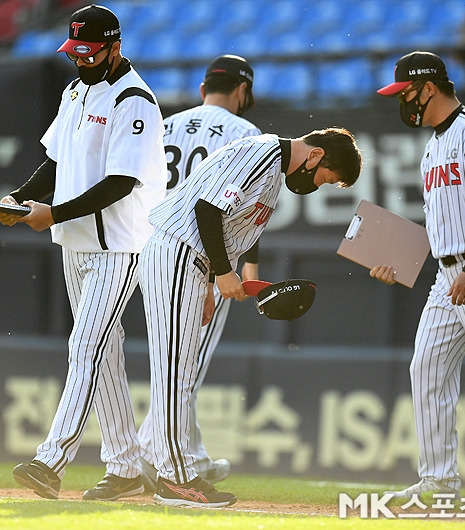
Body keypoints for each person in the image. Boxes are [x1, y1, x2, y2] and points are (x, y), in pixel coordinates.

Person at [138, 127, 362, 507]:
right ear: (315, 156)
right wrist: (225, 273)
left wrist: (210, 282)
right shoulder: (261, 153)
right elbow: (207, 210)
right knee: (175, 371)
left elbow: (232, 224)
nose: (319, 185)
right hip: (177, 253)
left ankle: (170, 468)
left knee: (181, 371)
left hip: (193, 262)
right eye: (326, 177)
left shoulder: (274, 169)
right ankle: (175, 478)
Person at [1, 4, 167, 501]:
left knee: (84, 345)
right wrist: (20, 199)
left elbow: (121, 182)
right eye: (75, 52)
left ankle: (51, 459)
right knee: (104, 354)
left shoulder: (135, 100)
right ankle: (126, 468)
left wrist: (50, 213)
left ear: (114, 46)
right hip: (77, 242)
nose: (81, 61)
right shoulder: (75, 89)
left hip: (122, 242)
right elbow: (55, 160)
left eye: (90, 53)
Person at [373, 50, 465, 499]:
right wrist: (398, 263)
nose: (402, 102)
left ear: (428, 87)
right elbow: (443, 226)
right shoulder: (432, 147)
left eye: (405, 92)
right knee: (426, 368)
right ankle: (438, 483)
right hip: (448, 276)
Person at [137, 54, 262, 491]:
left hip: (151, 248)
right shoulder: (247, 133)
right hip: (203, 258)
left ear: (203, 86)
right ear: (242, 90)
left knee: (174, 364)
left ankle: (190, 455)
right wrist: (231, 273)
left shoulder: (166, 124)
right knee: (184, 368)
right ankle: (156, 459)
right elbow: (241, 208)